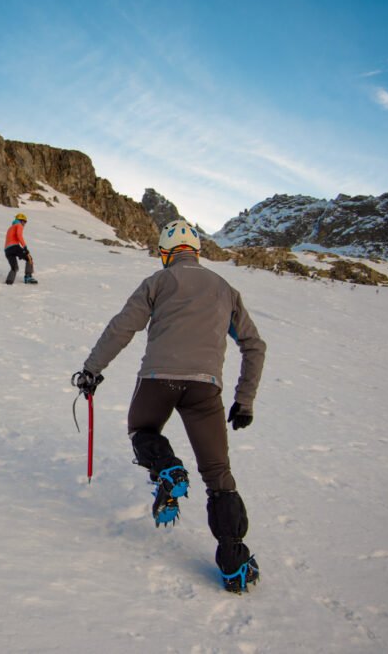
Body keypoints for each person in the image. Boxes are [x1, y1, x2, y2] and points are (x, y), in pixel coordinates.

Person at [74, 219, 266, 593]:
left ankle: (167, 469)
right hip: (205, 389)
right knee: (218, 476)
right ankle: (234, 563)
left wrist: (92, 370)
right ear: (197, 251)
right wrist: (244, 400)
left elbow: (122, 328)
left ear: (166, 253)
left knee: (142, 431)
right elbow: (254, 345)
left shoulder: (157, 282)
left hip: (158, 380)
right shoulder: (226, 289)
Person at [4, 213, 37, 284]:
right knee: (29, 258)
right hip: (14, 247)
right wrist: (24, 246)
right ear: (20, 220)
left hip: (7, 250)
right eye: (24, 221)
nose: (24, 224)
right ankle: (28, 277)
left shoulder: (10, 228)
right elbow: (19, 235)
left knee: (14, 267)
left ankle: (9, 282)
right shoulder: (19, 225)